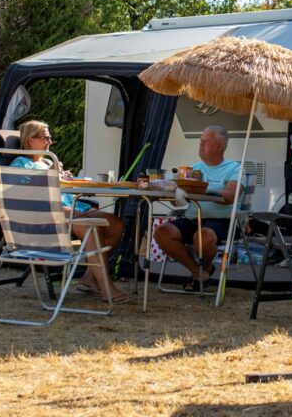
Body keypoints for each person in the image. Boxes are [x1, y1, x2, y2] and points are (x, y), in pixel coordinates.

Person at [13, 120, 131, 303]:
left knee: (115, 224)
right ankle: (106, 288)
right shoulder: (19, 163)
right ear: (30, 140)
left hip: (70, 207)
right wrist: (52, 175)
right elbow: (25, 192)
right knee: (92, 227)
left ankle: (89, 277)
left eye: (50, 137)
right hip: (46, 212)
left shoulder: (47, 162)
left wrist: (64, 177)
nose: (50, 142)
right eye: (45, 138)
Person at [153, 125, 242, 290]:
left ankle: (204, 268)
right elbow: (180, 200)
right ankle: (199, 272)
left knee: (203, 237)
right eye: (200, 142)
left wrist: (202, 188)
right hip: (194, 218)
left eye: (206, 142)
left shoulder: (235, 168)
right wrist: (174, 195)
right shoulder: (194, 169)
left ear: (219, 147)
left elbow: (230, 196)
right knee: (162, 232)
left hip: (223, 220)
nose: (200, 146)